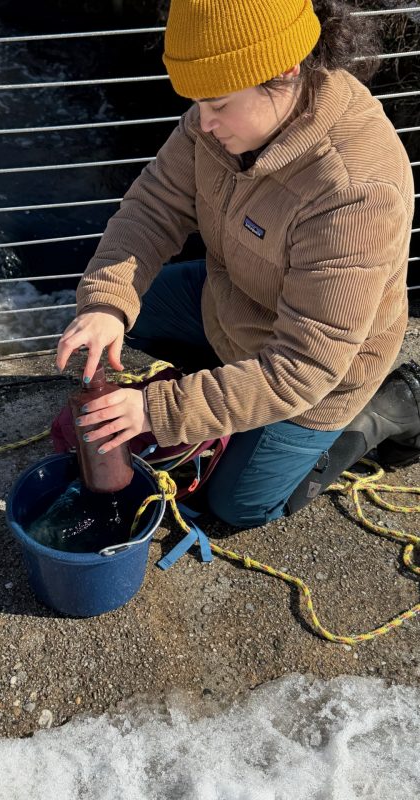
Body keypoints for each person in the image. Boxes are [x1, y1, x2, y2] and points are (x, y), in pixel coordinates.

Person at [56, 0, 416, 528]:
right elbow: (155, 204)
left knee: (236, 507)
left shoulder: (356, 192)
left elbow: (303, 367)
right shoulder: (224, 116)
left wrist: (160, 411)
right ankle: (226, 384)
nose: (203, 122)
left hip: (322, 371)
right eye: (197, 101)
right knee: (130, 315)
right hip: (236, 300)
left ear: (285, 71)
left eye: (218, 103)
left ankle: (386, 411)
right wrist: (107, 302)